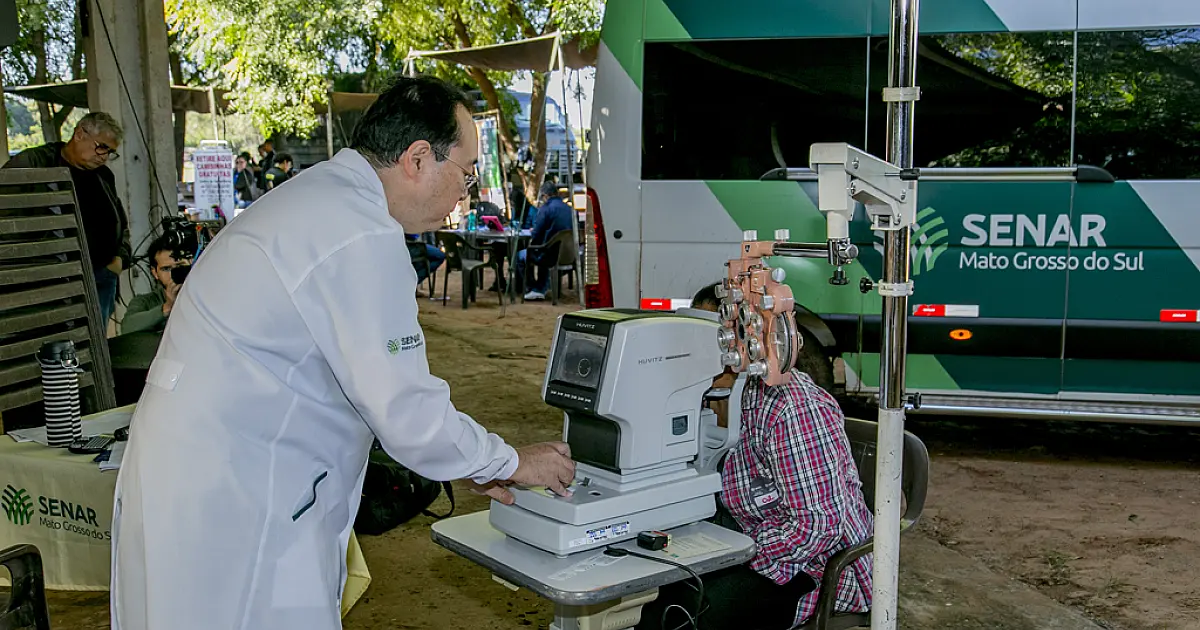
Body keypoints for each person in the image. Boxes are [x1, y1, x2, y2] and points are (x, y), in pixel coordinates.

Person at [110, 75, 577, 630]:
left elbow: (355, 384)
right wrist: (510, 460)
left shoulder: (316, 199)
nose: (466, 192)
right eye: (466, 172)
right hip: (240, 504)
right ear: (418, 158)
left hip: (192, 483)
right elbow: (407, 411)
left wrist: (470, 464)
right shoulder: (358, 234)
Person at [634, 284, 874, 630]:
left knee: (689, 617)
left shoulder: (791, 409)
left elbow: (818, 526)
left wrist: (730, 556)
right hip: (742, 539)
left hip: (813, 567)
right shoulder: (703, 396)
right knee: (650, 599)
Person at [3, 112, 131, 326]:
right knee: (57, 347)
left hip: (101, 275)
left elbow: (120, 222)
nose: (104, 156)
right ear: (80, 134)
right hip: (50, 282)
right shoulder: (34, 163)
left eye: (111, 152)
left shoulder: (104, 175)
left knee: (95, 345)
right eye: (101, 147)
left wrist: (119, 258)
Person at [516, 181, 574, 301]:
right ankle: (541, 286)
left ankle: (533, 288)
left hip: (549, 254)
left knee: (522, 256)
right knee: (542, 248)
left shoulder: (546, 209)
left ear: (545, 196)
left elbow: (536, 234)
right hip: (569, 254)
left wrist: (533, 233)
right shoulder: (570, 209)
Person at [120, 236, 188, 334]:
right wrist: (167, 307)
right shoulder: (145, 302)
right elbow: (127, 327)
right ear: (155, 273)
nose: (173, 274)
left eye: (180, 266)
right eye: (166, 269)